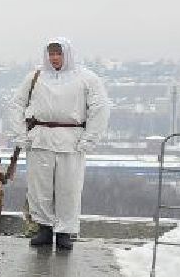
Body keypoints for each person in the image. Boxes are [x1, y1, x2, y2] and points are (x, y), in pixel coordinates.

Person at [7, 36, 111, 251]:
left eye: (58, 53)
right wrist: (20, 135)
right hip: (41, 138)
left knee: (68, 188)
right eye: (51, 54)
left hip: (71, 140)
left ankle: (65, 231)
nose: (55, 58)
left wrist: (89, 138)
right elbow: (16, 104)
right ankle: (44, 227)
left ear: (67, 54)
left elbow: (100, 109)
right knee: (39, 187)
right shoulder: (36, 77)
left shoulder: (87, 78)